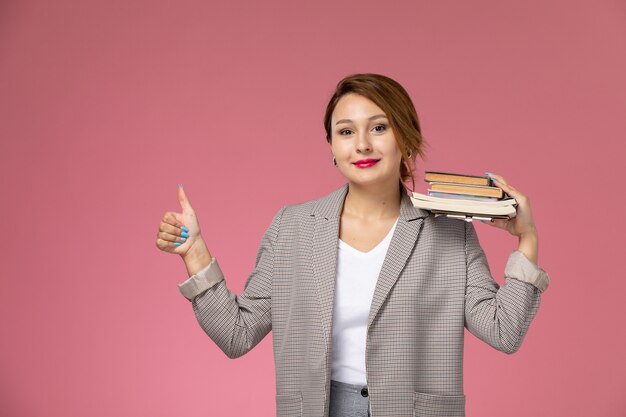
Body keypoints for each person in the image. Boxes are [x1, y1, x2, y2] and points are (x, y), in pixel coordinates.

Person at [155, 73, 550, 417]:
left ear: (407, 141)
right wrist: (195, 253)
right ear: (331, 147)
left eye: (378, 127)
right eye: (346, 131)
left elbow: (504, 331)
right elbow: (237, 333)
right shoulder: (292, 227)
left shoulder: (449, 232)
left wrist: (526, 239)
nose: (362, 144)